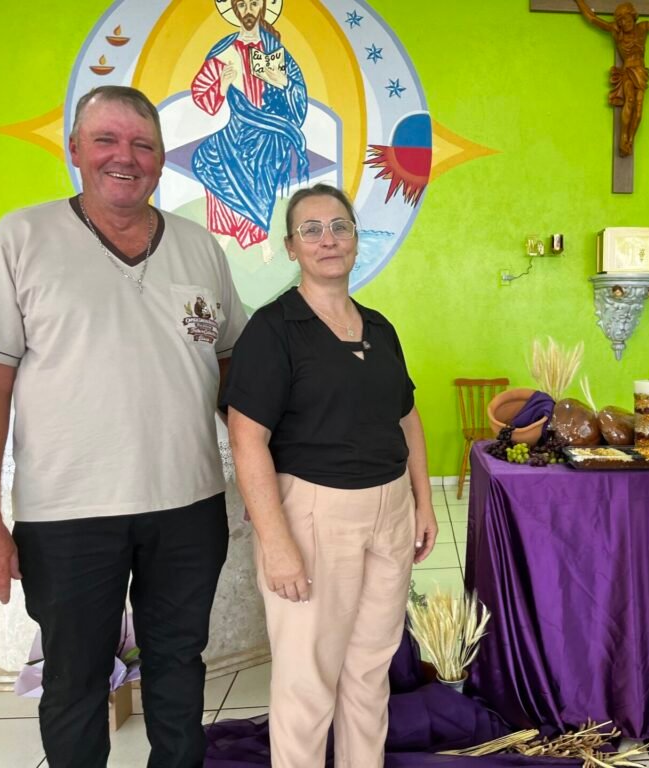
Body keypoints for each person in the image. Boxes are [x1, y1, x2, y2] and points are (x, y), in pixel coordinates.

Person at [0, 85, 248, 767]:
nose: (124, 157)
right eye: (106, 140)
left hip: (188, 505)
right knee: (74, 678)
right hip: (67, 513)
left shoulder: (199, 248)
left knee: (179, 664)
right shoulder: (20, 238)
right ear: (75, 149)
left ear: (162, 159)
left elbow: (237, 374)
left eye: (142, 145)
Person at [223, 183, 437, 768]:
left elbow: (407, 416)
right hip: (314, 514)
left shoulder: (379, 327)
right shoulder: (273, 329)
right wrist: (277, 543)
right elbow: (247, 440)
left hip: (389, 510)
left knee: (370, 668)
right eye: (311, 230)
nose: (328, 240)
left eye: (339, 226)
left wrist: (422, 501)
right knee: (308, 679)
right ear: (291, 247)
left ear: (356, 239)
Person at [191, 0, 308, 262]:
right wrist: (222, 85)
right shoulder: (224, 50)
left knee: (259, 168)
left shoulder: (274, 49)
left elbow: (298, 95)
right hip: (237, 125)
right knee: (208, 157)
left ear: (263, 7)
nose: (248, 11)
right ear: (234, 9)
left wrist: (283, 82)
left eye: (254, 4)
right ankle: (225, 232)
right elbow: (201, 92)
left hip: (269, 129)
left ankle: (261, 239)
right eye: (242, 5)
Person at [573, 0, 649, 156]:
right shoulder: (617, 32)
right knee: (630, 101)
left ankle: (630, 139)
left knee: (638, 110)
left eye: (626, 19)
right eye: (620, 21)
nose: (624, 23)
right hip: (627, 71)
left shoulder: (643, 28)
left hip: (640, 72)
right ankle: (623, 137)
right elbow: (592, 19)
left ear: (633, 17)